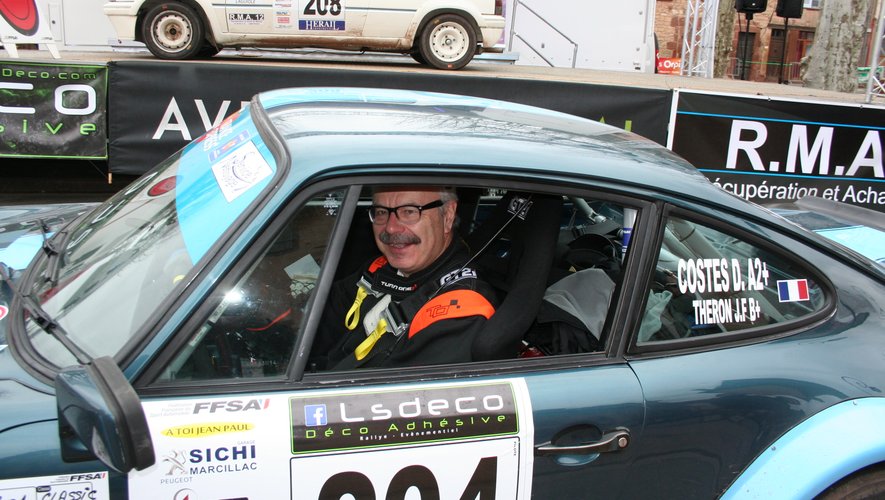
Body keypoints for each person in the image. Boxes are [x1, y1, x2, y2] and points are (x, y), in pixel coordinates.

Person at [311, 186, 498, 370]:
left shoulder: (461, 310)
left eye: (409, 211)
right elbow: (319, 319)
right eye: (382, 212)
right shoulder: (380, 268)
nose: (391, 228)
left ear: (447, 216)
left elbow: (396, 396)